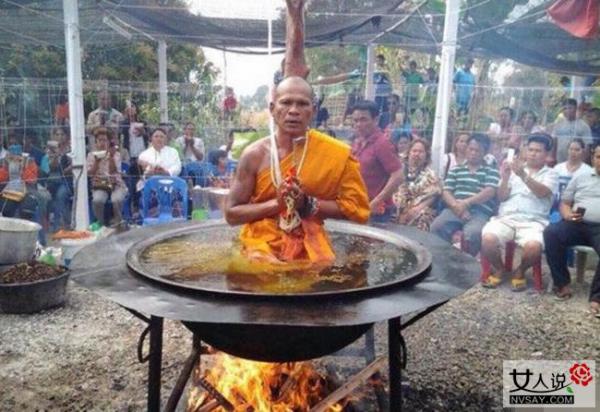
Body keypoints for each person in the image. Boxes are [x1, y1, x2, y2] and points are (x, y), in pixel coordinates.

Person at [481, 134, 558, 291]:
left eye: (538, 151)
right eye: (530, 150)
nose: (533, 153)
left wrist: (522, 174)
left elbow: (542, 192)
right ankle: (500, 268)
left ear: (546, 154)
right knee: (488, 239)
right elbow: (502, 197)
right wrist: (505, 178)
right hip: (506, 218)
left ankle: (520, 270)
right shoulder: (513, 170)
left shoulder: (551, 174)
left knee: (534, 247)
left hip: (534, 221)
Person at [544, 144, 600, 313]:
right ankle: (562, 284)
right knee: (552, 233)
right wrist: (567, 214)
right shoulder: (581, 177)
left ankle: (597, 297)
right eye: (598, 157)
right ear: (593, 158)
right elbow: (565, 202)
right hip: (577, 223)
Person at [431, 133, 499, 256]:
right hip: (454, 210)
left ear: (485, 152)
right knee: (437, 226)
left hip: (479, 213)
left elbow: (489, 192)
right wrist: (457, 207)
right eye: (470, 149)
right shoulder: (456, 169)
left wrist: (467, 203)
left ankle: (466, 265)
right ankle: (441, 259)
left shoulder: (491, 170)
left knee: (473, 233)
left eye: (477, 150)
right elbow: (446, 191)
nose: (473, 153)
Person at [350, 100, 403, 223]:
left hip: (376, 213)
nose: (358, 124)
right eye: (355, 120)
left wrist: (376, 202)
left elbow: (398, 176)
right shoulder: (357, 142)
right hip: (357, 207)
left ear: (375, 120)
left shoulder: (382, 143)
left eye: (363, 119)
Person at [392, 139, 441, 231]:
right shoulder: (398, 170)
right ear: (409, 153)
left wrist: (416, 209)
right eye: (414, 151)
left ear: (426, 155)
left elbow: (432, 196)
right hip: (396, 207)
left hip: (418, 210)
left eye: (420, 152)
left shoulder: (431, 175)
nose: (417, 154)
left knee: (423, 216)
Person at [86, 127, 128, 226]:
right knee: (97, 200)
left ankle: (118, 222)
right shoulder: (91, 155)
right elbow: (89, 173)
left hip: (116, 184)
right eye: (99, 140)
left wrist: (111, 157)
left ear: (109, 142)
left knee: (116, 199)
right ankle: (100, 223)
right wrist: (96, 162)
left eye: (104, 140)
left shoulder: (116, 154)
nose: (102, 143)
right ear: (96, 142)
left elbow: (114, 171)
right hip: (100, 185)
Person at [40, 128, 73, 231]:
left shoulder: (71, 149)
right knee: (46, 197)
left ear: (66, 136)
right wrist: (55, 155)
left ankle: (59, 225)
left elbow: (72, 168)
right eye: (57, 134)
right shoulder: (50, 151)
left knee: (60, 195)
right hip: (51, 182)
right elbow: (51, 168)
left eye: (62, 134)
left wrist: (66, 166)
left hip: (66, 181)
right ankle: (52, 224)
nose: (60, 137)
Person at [0, 144, 39, 220]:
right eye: (12, 157)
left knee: (28, 209)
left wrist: (22, 168)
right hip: (8, 191)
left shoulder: (29, 162)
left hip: (27, 190)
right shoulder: (4, 162)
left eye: (18, 157)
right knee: (6, 208)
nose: (15, 159)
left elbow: (32, 180)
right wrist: (6, 168)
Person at [552, 99, 592, 163]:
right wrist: (552, 157)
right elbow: (554, 142)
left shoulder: (584, 126)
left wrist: (583, 162)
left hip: (576, 163)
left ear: (576, 108)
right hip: (559, 162)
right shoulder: (558, 124)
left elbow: (587, 146)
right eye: (564, 108)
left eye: (570, 108)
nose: (567, 110)